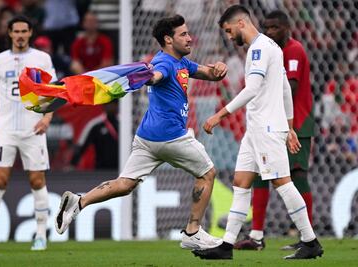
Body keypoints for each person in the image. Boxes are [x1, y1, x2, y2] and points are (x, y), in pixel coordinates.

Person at [55, 14, 228, 251]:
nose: (190, 38)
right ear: (168, 39)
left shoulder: (182, 63)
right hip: (170, 137)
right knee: (208, 173)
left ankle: (79, 201)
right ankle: (192, 232)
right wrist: (148, 77)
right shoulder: (165, 64)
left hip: (147, 138)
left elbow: (209, 74)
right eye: (183, 34)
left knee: (125, 184)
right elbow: (156, 76)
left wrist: (219, 68)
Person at [192, 5, 323, 260]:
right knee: (241, 182)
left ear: (241, 24)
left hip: (266, 128)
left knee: (282, 182)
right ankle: (227, 245)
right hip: (259, 129)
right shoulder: (272, 48)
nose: (229, 38)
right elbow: (284, 88)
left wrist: (220, 115)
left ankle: (310, 241)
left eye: (230, 31)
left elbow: (252, 89)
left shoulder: (259, 48)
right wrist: (290, 127)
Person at [234, 10, 316, 251]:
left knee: (297, 176)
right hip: (271, 124)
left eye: (274, 27)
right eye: (267, 28)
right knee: (260, 174)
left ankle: (306, 236)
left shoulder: (293, 50)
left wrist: (256, 89)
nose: (270, 32)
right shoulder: (270, 51)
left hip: (296, 124)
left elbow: (288, 86)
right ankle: (257, 236)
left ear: (287, 28)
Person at [0, 15, 57, 252]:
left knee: (36, 180)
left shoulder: (42, 59)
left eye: (25, 31)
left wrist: (47, 118)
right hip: (4, 130)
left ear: (30, 33)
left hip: (32, 129)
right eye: (16, 31)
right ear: (10, 34)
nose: (21, 35)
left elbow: (52, 91)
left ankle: (41, 235)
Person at [69, 100, 119, 170]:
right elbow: (82, 146)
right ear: (103, 106)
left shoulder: (124, 124)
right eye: (108, 104)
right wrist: (72, 164)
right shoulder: (95, 125)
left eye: (114, 104)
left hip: (122, 168)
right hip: (101, 170)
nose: (111, 107)